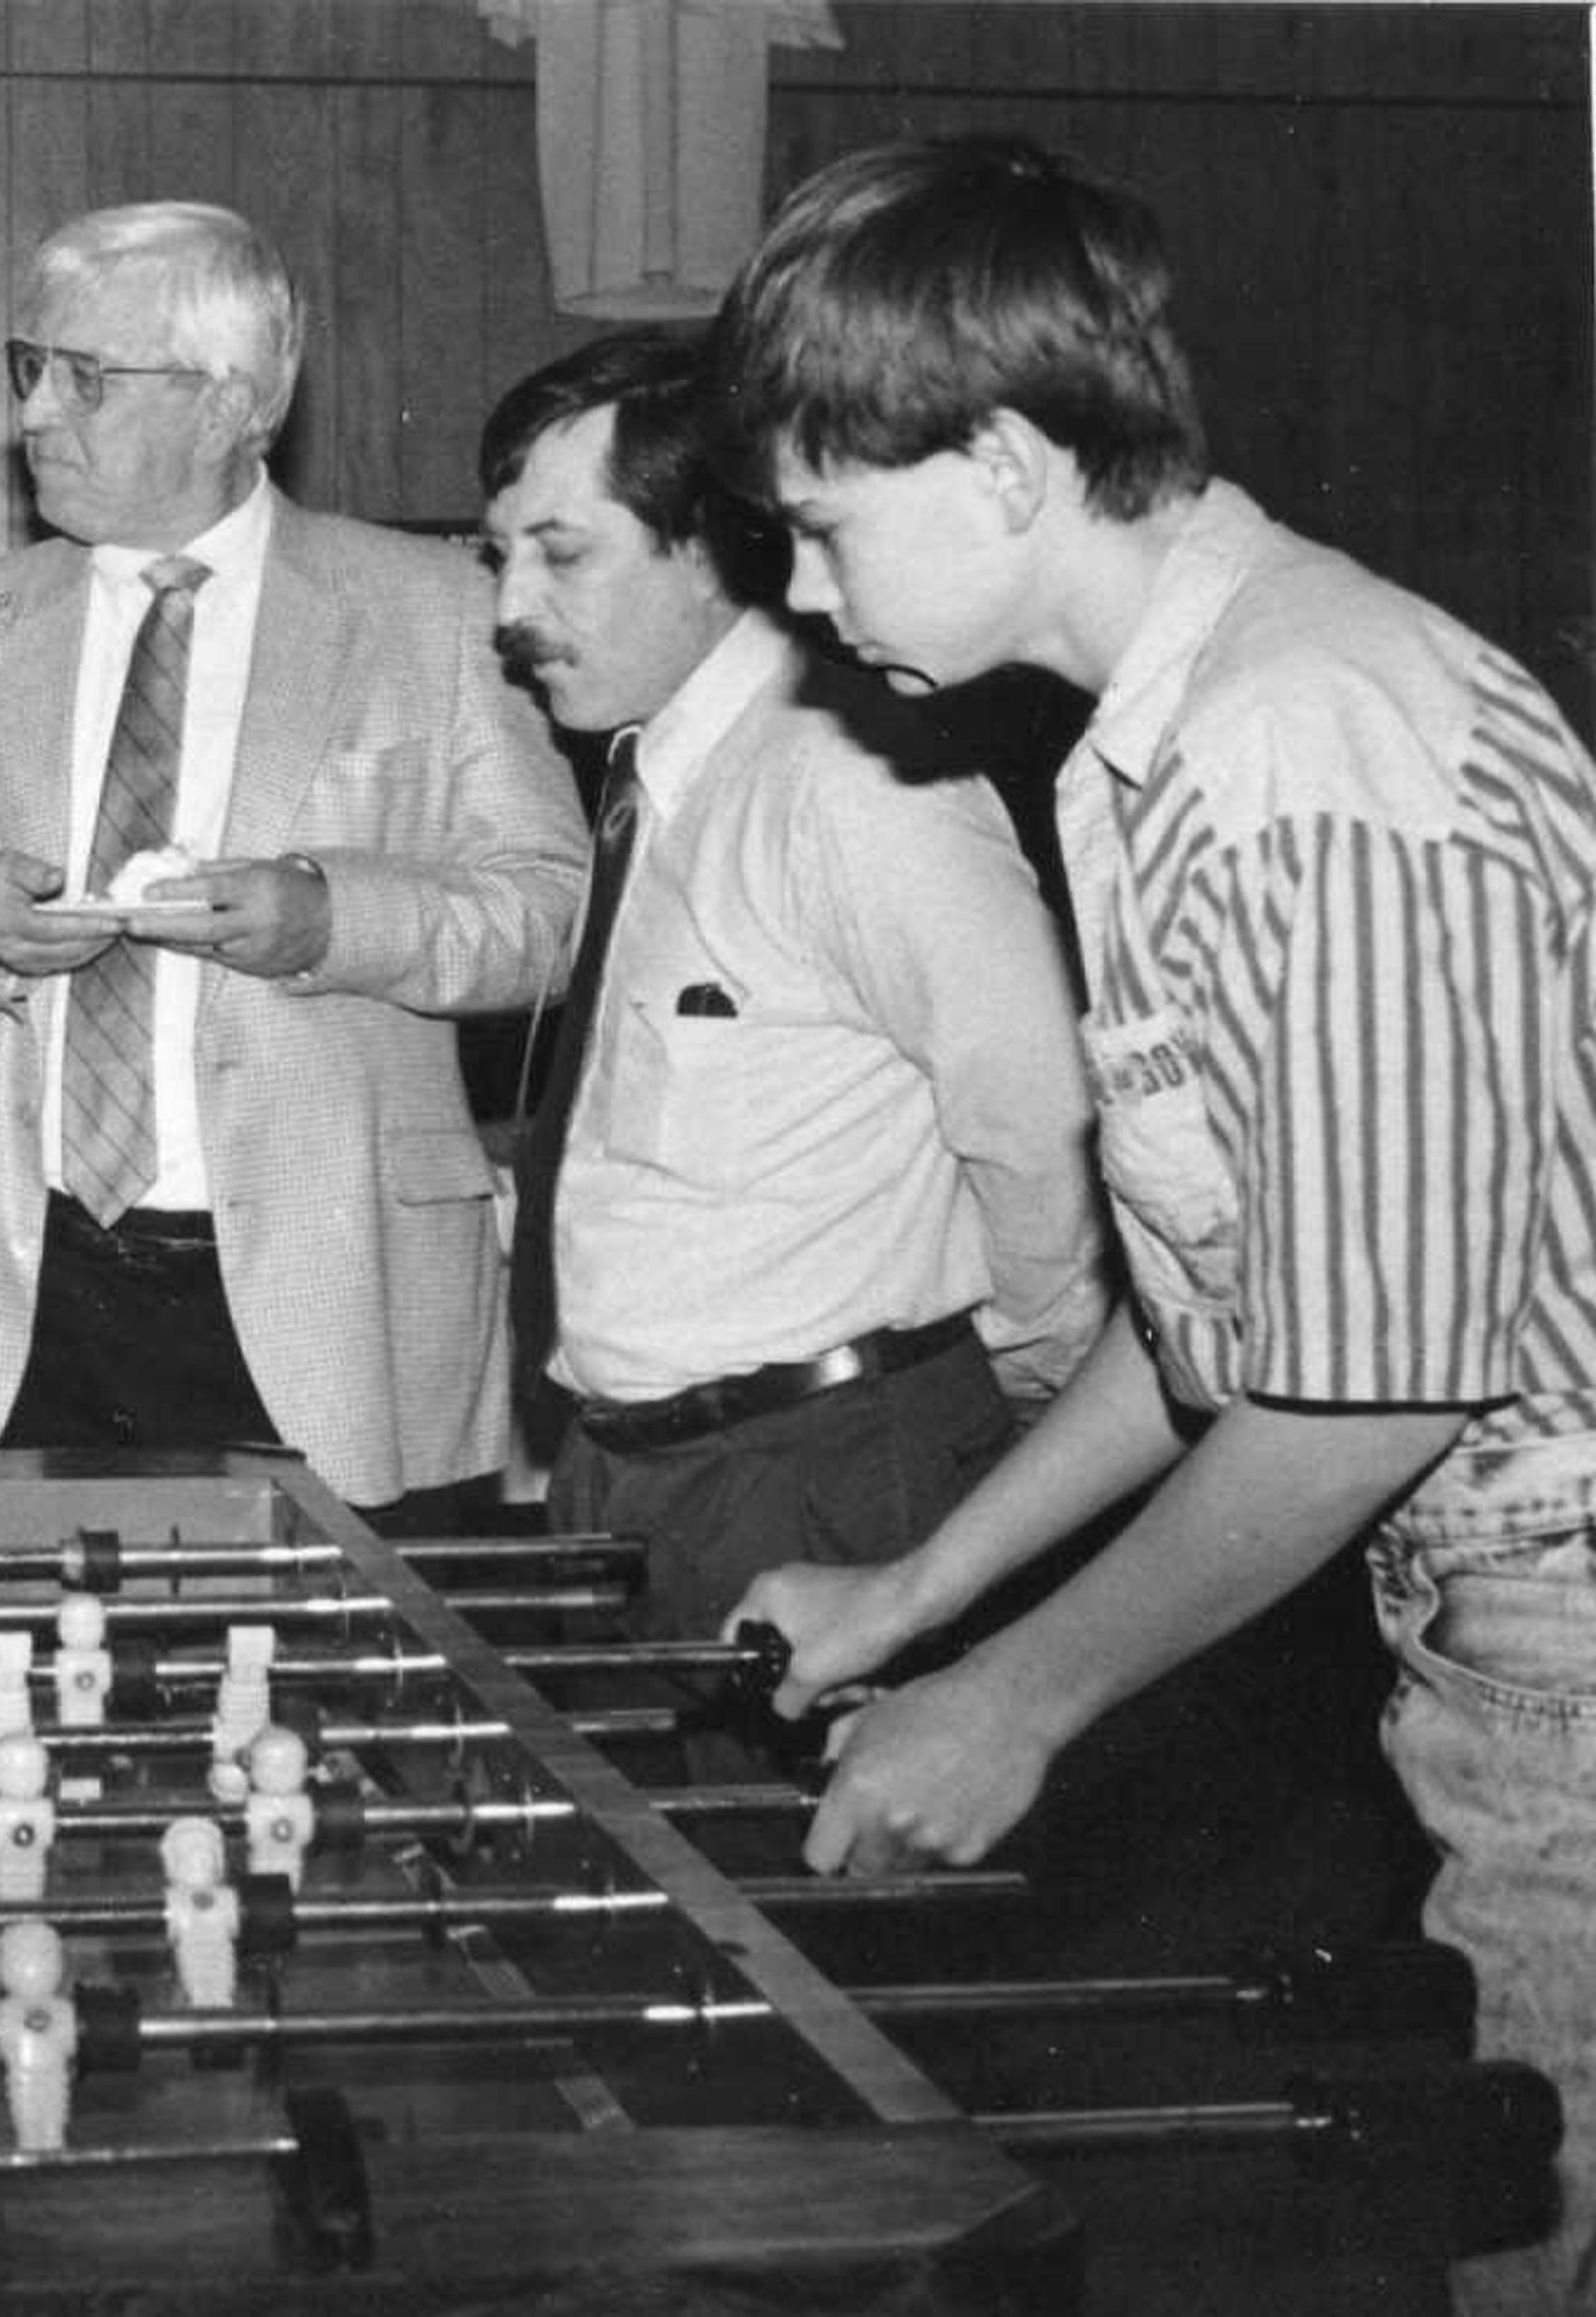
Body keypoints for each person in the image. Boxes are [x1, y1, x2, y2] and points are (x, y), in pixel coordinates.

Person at [710, 134, 1596, 2314]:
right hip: (1491, 1632)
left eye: (825, 524)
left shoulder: (1310, 740)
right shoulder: (1167, 739)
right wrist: (921, 1586)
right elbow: (1227, 1315)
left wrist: (1014, 1698)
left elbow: (1368, 1386)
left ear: (1003, 461)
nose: (808, 596)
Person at [0, 201, 586, 1522]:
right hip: (19, 1296)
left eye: (84, 378)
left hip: (339, 1297)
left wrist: (334, 916)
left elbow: (554, 915)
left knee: (328, 1712)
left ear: (233, 401)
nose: (36, 413)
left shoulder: (432, 613)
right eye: (26, 368)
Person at [478, 328, 1104, 1640]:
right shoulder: (659, 778)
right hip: (637, 1477)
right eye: (502, 559)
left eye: (563, 553)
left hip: (820, 1481)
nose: (509, 613)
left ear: (709, 550)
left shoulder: (855, 783)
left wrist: (1023, 1405)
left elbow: (1038, 1122)